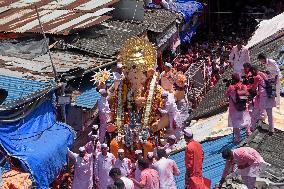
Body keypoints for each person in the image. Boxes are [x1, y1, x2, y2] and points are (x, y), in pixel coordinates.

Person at [249, 66, 276, 134]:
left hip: (262, 98)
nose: (252, 73)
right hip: (269, 95)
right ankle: (271, 129)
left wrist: (249, 87)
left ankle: (253, 128)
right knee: (270, 114)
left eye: (252, 72)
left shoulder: (257, 77)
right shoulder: (264, 74)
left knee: (255, 113)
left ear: (254, 70)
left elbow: (254, 88)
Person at [225, 73, 251, 143]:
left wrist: (228, 86)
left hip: (234, 108)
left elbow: (226, 95)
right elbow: (247, 95)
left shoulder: (231, 87)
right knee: (246, 119)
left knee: (235, 123)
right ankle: (248, 132)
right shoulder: (243, 86)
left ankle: (238, 138)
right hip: (243, 106)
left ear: (233, 79)